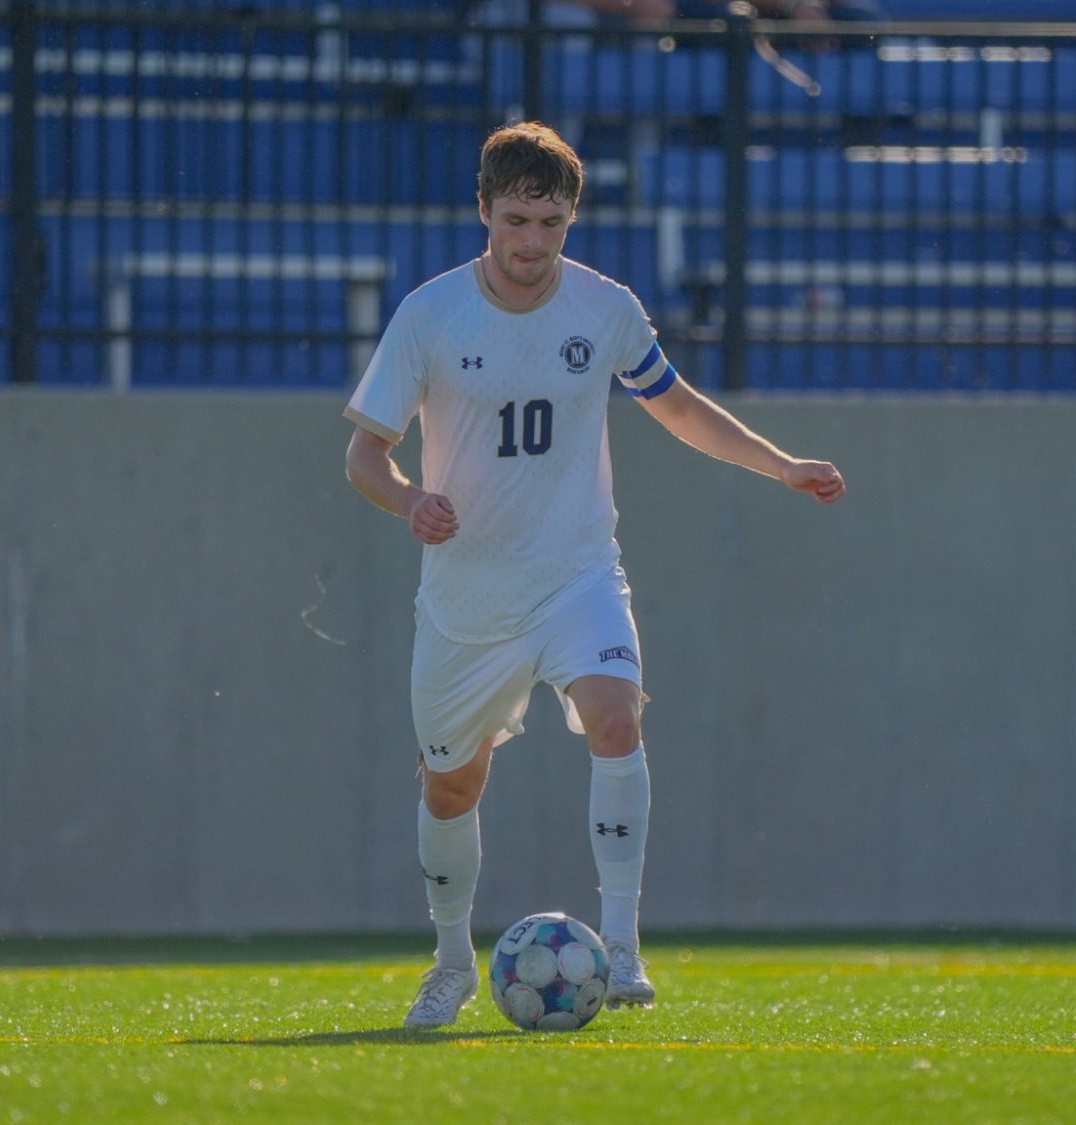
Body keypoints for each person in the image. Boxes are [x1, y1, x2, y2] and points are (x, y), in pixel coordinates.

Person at [343, 122, 846, 1029]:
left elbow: (679, 407)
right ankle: (451, 962)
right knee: (451, 785)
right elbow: (364, 456)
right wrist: (408, 499)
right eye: (516, 220)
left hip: (577, 573)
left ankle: (620, 944)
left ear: (571, 218)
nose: (532, 242)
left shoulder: (605, 307)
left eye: (551, 222)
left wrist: (782, 465)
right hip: (466, 596)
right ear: (483, 212)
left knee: (616, 717)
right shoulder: (430, 313)